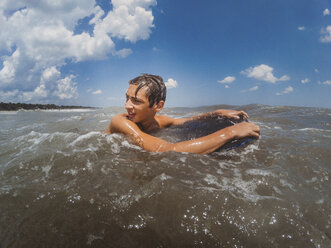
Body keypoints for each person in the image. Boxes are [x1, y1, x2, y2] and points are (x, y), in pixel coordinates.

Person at [105, 74, 260, 154]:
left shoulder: (160, 121)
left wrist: (217, 113)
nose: (127, 106)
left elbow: (187, 120)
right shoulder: (121, 122)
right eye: (127, 98)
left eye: (135, 101)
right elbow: (165, 150)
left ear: (158, 106)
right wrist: (229, 132)